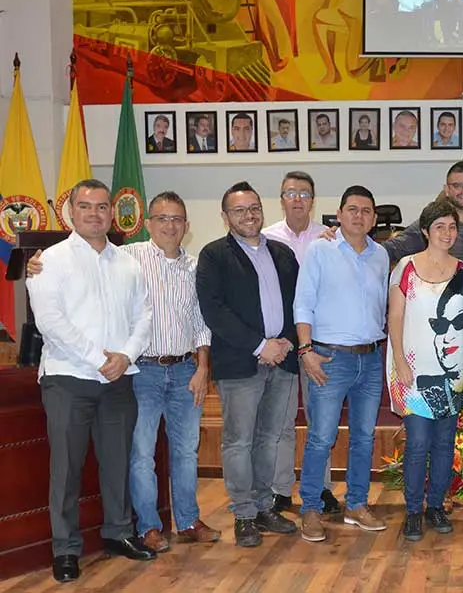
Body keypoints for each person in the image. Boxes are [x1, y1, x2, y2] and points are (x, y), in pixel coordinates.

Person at [27, 192, 224, 553]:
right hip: (142, 369)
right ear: (147, 224)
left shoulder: (195, 267)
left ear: (187, 225)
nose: (169, 226)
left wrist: (203, 366)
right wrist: (35, 264)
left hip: (185, 370)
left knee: (186, 451)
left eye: (176, 219)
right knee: (141, 454)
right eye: (161, 218)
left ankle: (188, 520)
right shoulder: (128, 257)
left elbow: (200, 321)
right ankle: (148, 527)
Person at [26, 179, 156, 583]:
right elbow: (50, 322)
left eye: (102, 207)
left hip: (119, 379)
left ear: (112, 213)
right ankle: (65, 549)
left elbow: (144, 315)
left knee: (117, 462)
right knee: (66, 468)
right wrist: (99, 359)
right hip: (69, 379)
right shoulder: (50, 261)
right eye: (85, 206)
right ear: (72, 212)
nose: (95, 214)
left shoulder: (128, 263)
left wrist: (126, 355)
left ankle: (118, 533)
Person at [379, 161, 463, 512]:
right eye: (456, 185)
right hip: (422, 356)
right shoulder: (415, 248)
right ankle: (423, 504)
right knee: (421, 440)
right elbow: (389, 254)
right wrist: (348, 240)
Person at [196, 182, 300, 547]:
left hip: (283, 360)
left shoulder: (282, 253)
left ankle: (263, 506)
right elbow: (214, 311)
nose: (249, 215)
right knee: (239, 441)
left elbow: (299, 302)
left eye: (254, 208)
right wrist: (260, 346)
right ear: (225, 217)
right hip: (241, 364)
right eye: (239, 210)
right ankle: (243, 514)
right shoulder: (214, 256)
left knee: (270, 438)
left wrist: (287, 341)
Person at [295, 186, 391, 542]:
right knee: (321, 437)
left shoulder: (381, 255)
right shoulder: (320, 250)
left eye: (366, 211)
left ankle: (356, 504)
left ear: (374, 218)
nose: (359, 216)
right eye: (352, 209)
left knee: (364, 437)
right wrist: (306, 350)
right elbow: (302, 303)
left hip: (370, 358)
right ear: (339, 214)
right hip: (330, 358)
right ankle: (310, 508)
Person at [387, 200, 463, 541]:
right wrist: (399, 360)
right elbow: (395, 316)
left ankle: (436, 505)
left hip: (453, 374)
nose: (447, 233)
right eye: (440, 226)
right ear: (425, 231)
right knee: (418, 443)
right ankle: (413, 510)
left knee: (444, 443)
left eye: (452, 227)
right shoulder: (406, 267)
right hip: (412, 371)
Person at [262, 172, 339, 516]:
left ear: (313, 200)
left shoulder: (328, 239)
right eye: (290, 193)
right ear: (281, 199)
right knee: (280, 421)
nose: (297, 199)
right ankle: (280, 490)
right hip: (280, 341)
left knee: (320, 420)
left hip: (316, 340)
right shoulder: (265, 238)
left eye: (304, 193)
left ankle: (321, 487)